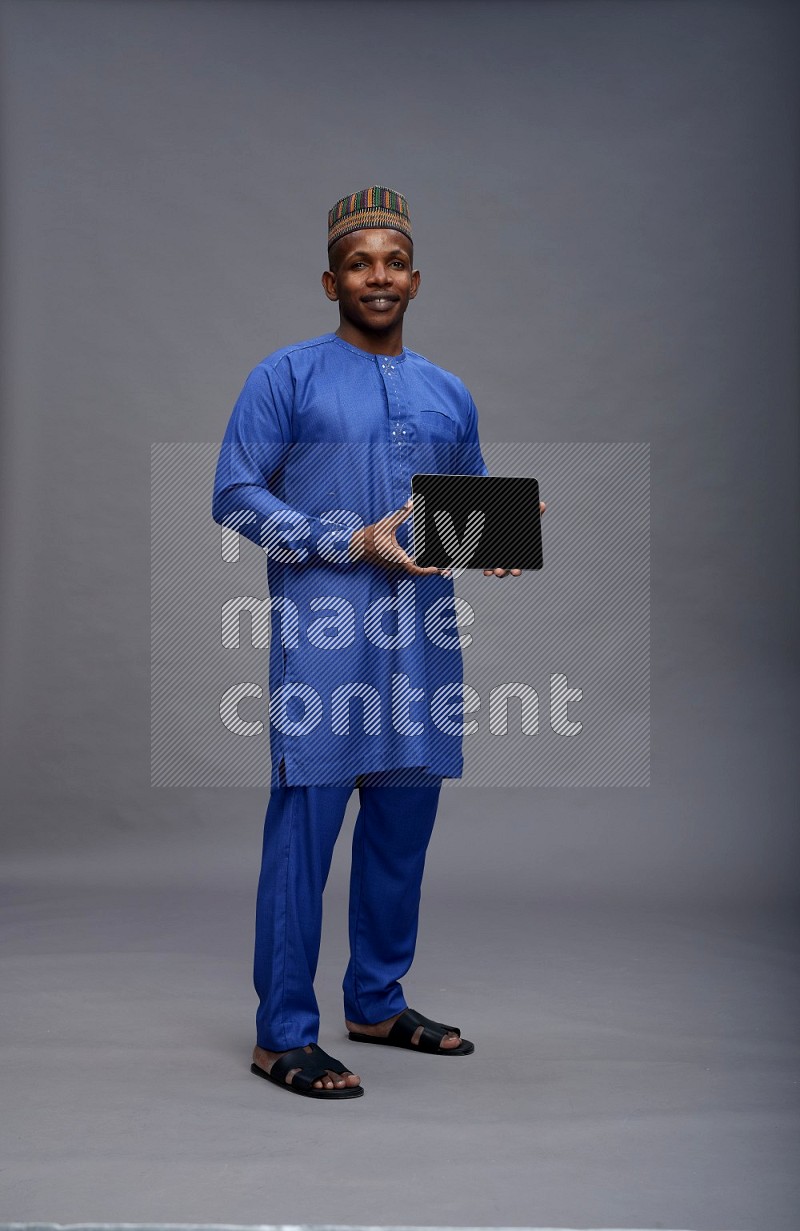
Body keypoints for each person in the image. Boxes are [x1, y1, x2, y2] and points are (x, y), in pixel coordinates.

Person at [212, 186, 544, 1099]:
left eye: (393, 262)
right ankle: (281, 1035)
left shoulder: (448, 390)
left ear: (417, 278)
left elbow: (458, 503)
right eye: (360, 263)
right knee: (303, 840)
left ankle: (376, 1000)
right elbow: (236, 495)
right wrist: (350, 538)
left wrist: (497, 541)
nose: (379, 276)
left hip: (424, 642)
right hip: (326, 640)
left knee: (402, 835)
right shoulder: (286, 376)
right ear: (331, 280)